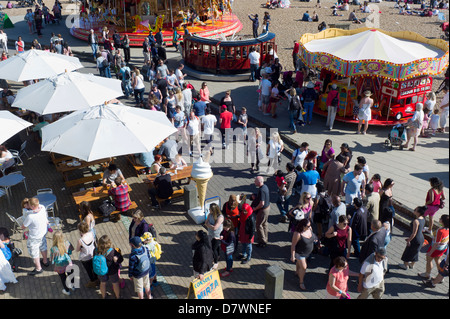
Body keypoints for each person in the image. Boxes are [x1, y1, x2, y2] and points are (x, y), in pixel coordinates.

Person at [22, 197, 49, 276]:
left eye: (29, 205)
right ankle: (45, 261)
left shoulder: (30, 216)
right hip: (43, 233)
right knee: (43, 246)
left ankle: (38, 269)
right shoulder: (43, 207)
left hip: (34, 236)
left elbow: (23, 226)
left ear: (33, 206)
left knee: (34, 252)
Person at [419, 214, 449, 280]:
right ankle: (440, 276)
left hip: (436, 248)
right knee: (438, 261)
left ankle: (427, 274)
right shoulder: (447, 229)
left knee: (429, 260)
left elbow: (436, 243)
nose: (439, 218)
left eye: (441, 218)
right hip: (443, 248)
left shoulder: (440, 231)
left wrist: (430, 252)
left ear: (443, 221)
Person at [290, 218, 316, 291]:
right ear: (303, 226)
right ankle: (301, 282)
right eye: (308, 226)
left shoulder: (309, 229)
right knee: (304, 267)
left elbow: (313, 235)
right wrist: (292, 255)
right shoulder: (298, 234)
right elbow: (293, 245)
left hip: (307, 252)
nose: (309, 227)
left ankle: (297, 271)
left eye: (310, 225)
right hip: (300, 253)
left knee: (300, 264)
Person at [95, 235, 124, 299]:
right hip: (112, 271)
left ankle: (104, 296)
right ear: (109, 243)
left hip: (102, 270)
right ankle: (118, 296)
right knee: (115, 283)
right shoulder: (112, 252)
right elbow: (121, 259)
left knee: (102, 283)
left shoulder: (96, 250)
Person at [400, 206, 427, 270]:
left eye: (415, 210)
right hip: (421, 238)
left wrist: (409, 240)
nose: (414, 210)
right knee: (415, 252)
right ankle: (412, 264)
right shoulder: (423, 219)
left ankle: (405, 265)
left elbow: (414, 233)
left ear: (418, 212)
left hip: (415, 239)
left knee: (408, 252)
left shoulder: (416, 221)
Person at [50, 231, 75, 296]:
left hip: (59, 266)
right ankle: (73, 286)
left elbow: (52, 260)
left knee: (63, 278)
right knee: (71, 274)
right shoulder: (67, 243)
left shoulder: (53, 249)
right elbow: (70, 251)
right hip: (68, 263)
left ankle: (67, 291)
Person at [76, 221, 98, 288]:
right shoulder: (91, 233)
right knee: (94, 267)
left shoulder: (80, 240)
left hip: (85, 257)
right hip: (92, 254)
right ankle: (97, 279)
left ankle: (92, 281)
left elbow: (77, 250)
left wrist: (81, 249)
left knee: (89, 270)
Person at [252, 176, 271, 248]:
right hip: (267, 208)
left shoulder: (261, 190)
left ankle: (262, 241)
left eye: (255, 181)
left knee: (258, 225)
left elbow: (261, 203)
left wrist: (255, 208)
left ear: (259, 182)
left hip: (263, 210)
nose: (254, 182)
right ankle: (265, 238)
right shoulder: (265, 187)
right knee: (264, 224)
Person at [205, 203, 224, 271]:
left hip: (217, 235)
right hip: (211, 234)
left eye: (210, 209)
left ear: (213, 210)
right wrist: (211, 226)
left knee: (214, 249)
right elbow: (206, 223)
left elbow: (215, 228)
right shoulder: (210, 215)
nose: (209, 210)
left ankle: (216, 262)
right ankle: (218, 256)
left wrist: (209, 225)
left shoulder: (220, 217)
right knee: (216, 247)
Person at [237, 197, 254, 264]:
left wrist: (250, 237)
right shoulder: (242, 214)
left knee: (248, 246)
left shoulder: (251, 218)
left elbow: (252, 228)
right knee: (243, 243)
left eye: (245, 211)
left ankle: (249, 256)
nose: (244, 212)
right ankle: (244, 254)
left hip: (248, 234)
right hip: (243, 231)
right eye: (243, 210)